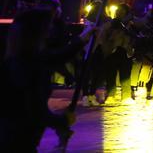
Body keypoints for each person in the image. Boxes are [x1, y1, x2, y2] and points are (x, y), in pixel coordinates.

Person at [0, 8, 94, 152]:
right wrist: (62, 122)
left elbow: (57, 56)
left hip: (18, 137)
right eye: (47, 28)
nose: (50, 33)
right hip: (16, 139)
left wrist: (83, 38)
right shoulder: (27, 65)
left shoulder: (24, 59)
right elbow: (34, 110)